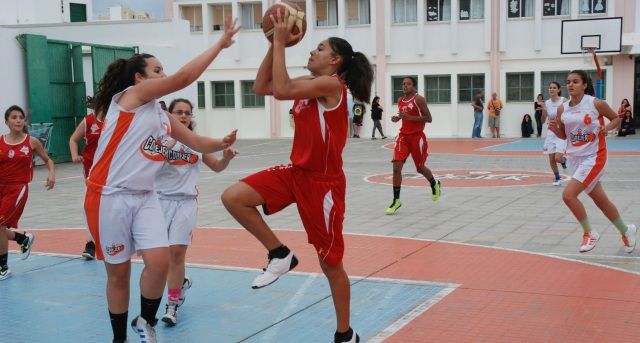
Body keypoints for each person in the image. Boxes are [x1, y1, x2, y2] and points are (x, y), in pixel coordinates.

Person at [220, 10, 373, 343]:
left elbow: (282, 88)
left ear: (335, 61)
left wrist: (279, 42)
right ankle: (279, 254)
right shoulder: (310, 86)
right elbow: (264, 86)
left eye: (319, 48)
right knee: (234, 197)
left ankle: (345, 334)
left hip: (323, 185)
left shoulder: (332, 85)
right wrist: (272, 44)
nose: (312, 50)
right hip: (296, 173)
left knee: (330, 263)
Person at [85, 19, 239, 343]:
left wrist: (222, 142)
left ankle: (146, 321)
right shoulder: (132, 96)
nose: (164, 76)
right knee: (120, 273)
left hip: (145, 196)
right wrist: (219, 44)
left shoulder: (159, 114)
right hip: (108, 195)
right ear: (140, 78)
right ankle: (119, 338)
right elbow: (185, 77)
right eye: (158, 70)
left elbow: (195, 143)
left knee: (160, 262)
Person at [157, 98, 238, 326]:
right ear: (169, 115)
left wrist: (226, 158)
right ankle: (179, 282)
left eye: (187, 113)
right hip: (158, 202)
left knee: (176, 255)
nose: (183, 116)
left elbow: (217, 167)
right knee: (158, 260)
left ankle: (172, 305)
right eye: (178, 112)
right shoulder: (159, 141)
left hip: (185, 203)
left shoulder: (196, 144)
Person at [548, 70, 637, 254]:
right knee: (601, 201)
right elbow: (565, 135)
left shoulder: (595, 103)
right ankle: (626, 230)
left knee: (568, 195)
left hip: (595, 156)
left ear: (584, 85)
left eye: (575, 81)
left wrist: (607, 128)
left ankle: (590, 232)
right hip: (576, 159)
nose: (570, 84)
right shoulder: (562, 109)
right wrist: (557, 136)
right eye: (568, 82)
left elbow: (616, 119)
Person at [1, 105, 55, 281]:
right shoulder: (1, 142)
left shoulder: (31, 141)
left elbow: (48, 160)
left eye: (21, 117)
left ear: (24, 121)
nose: (18, 120)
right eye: (14, 117)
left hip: (18, 188)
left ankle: (3, 268)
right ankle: (23, 239)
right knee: (0, 229)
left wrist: (51, 174)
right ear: (6, 122)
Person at [385, 76, 441, 215]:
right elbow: (403, 113)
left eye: (408, 84)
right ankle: (396, 200)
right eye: (403, 84)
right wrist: (398, 118)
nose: (405, 86)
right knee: (396, 167)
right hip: (403, 136)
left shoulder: (418, 99)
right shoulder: (400, 100)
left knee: (420, 168)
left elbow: (429, 118)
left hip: (417, 137)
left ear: (413, 86)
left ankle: (434, 184)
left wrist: (411, 118)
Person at [69, 96, 102, 259]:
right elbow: (73, 139)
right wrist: (75, 155)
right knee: (89, 207)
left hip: (113, 172)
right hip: (91, 172)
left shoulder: (116, 119)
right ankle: (91, 243)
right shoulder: (88, 121)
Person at [541, 81, 568, 186]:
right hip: (551, 132)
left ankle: (563, 160)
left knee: (558, 158)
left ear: (558, 90)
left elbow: (570, 113)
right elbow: (543, 121)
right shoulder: (547, 103)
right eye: (550, 87)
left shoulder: (564, 101)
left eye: (554, 88)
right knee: (551, 158)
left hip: (561, 132)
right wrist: (543, 110)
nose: (551, 89)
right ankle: (557, 178)